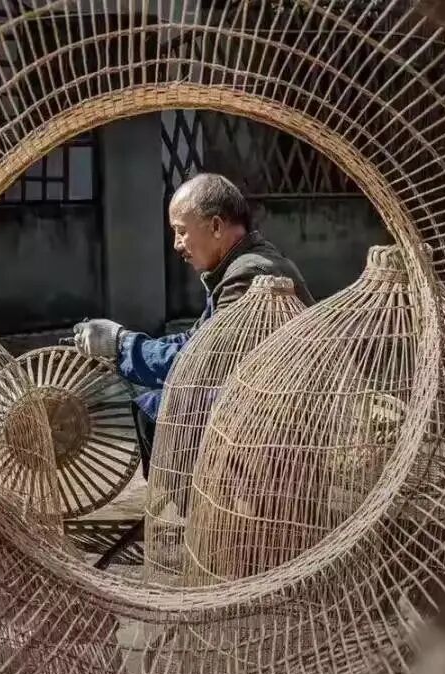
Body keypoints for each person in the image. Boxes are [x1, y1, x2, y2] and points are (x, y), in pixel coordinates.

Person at [72, 173, 314, 484]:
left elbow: (202, 361)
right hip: (263, 405)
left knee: (166, 410)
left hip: (279, 420)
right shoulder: (236, 268)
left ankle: (199, 506)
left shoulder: (249, 275)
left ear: (216, 227)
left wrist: (122, 345)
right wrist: (125, 343)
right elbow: (197, 339)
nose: (177, 244)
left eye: (182, 231)